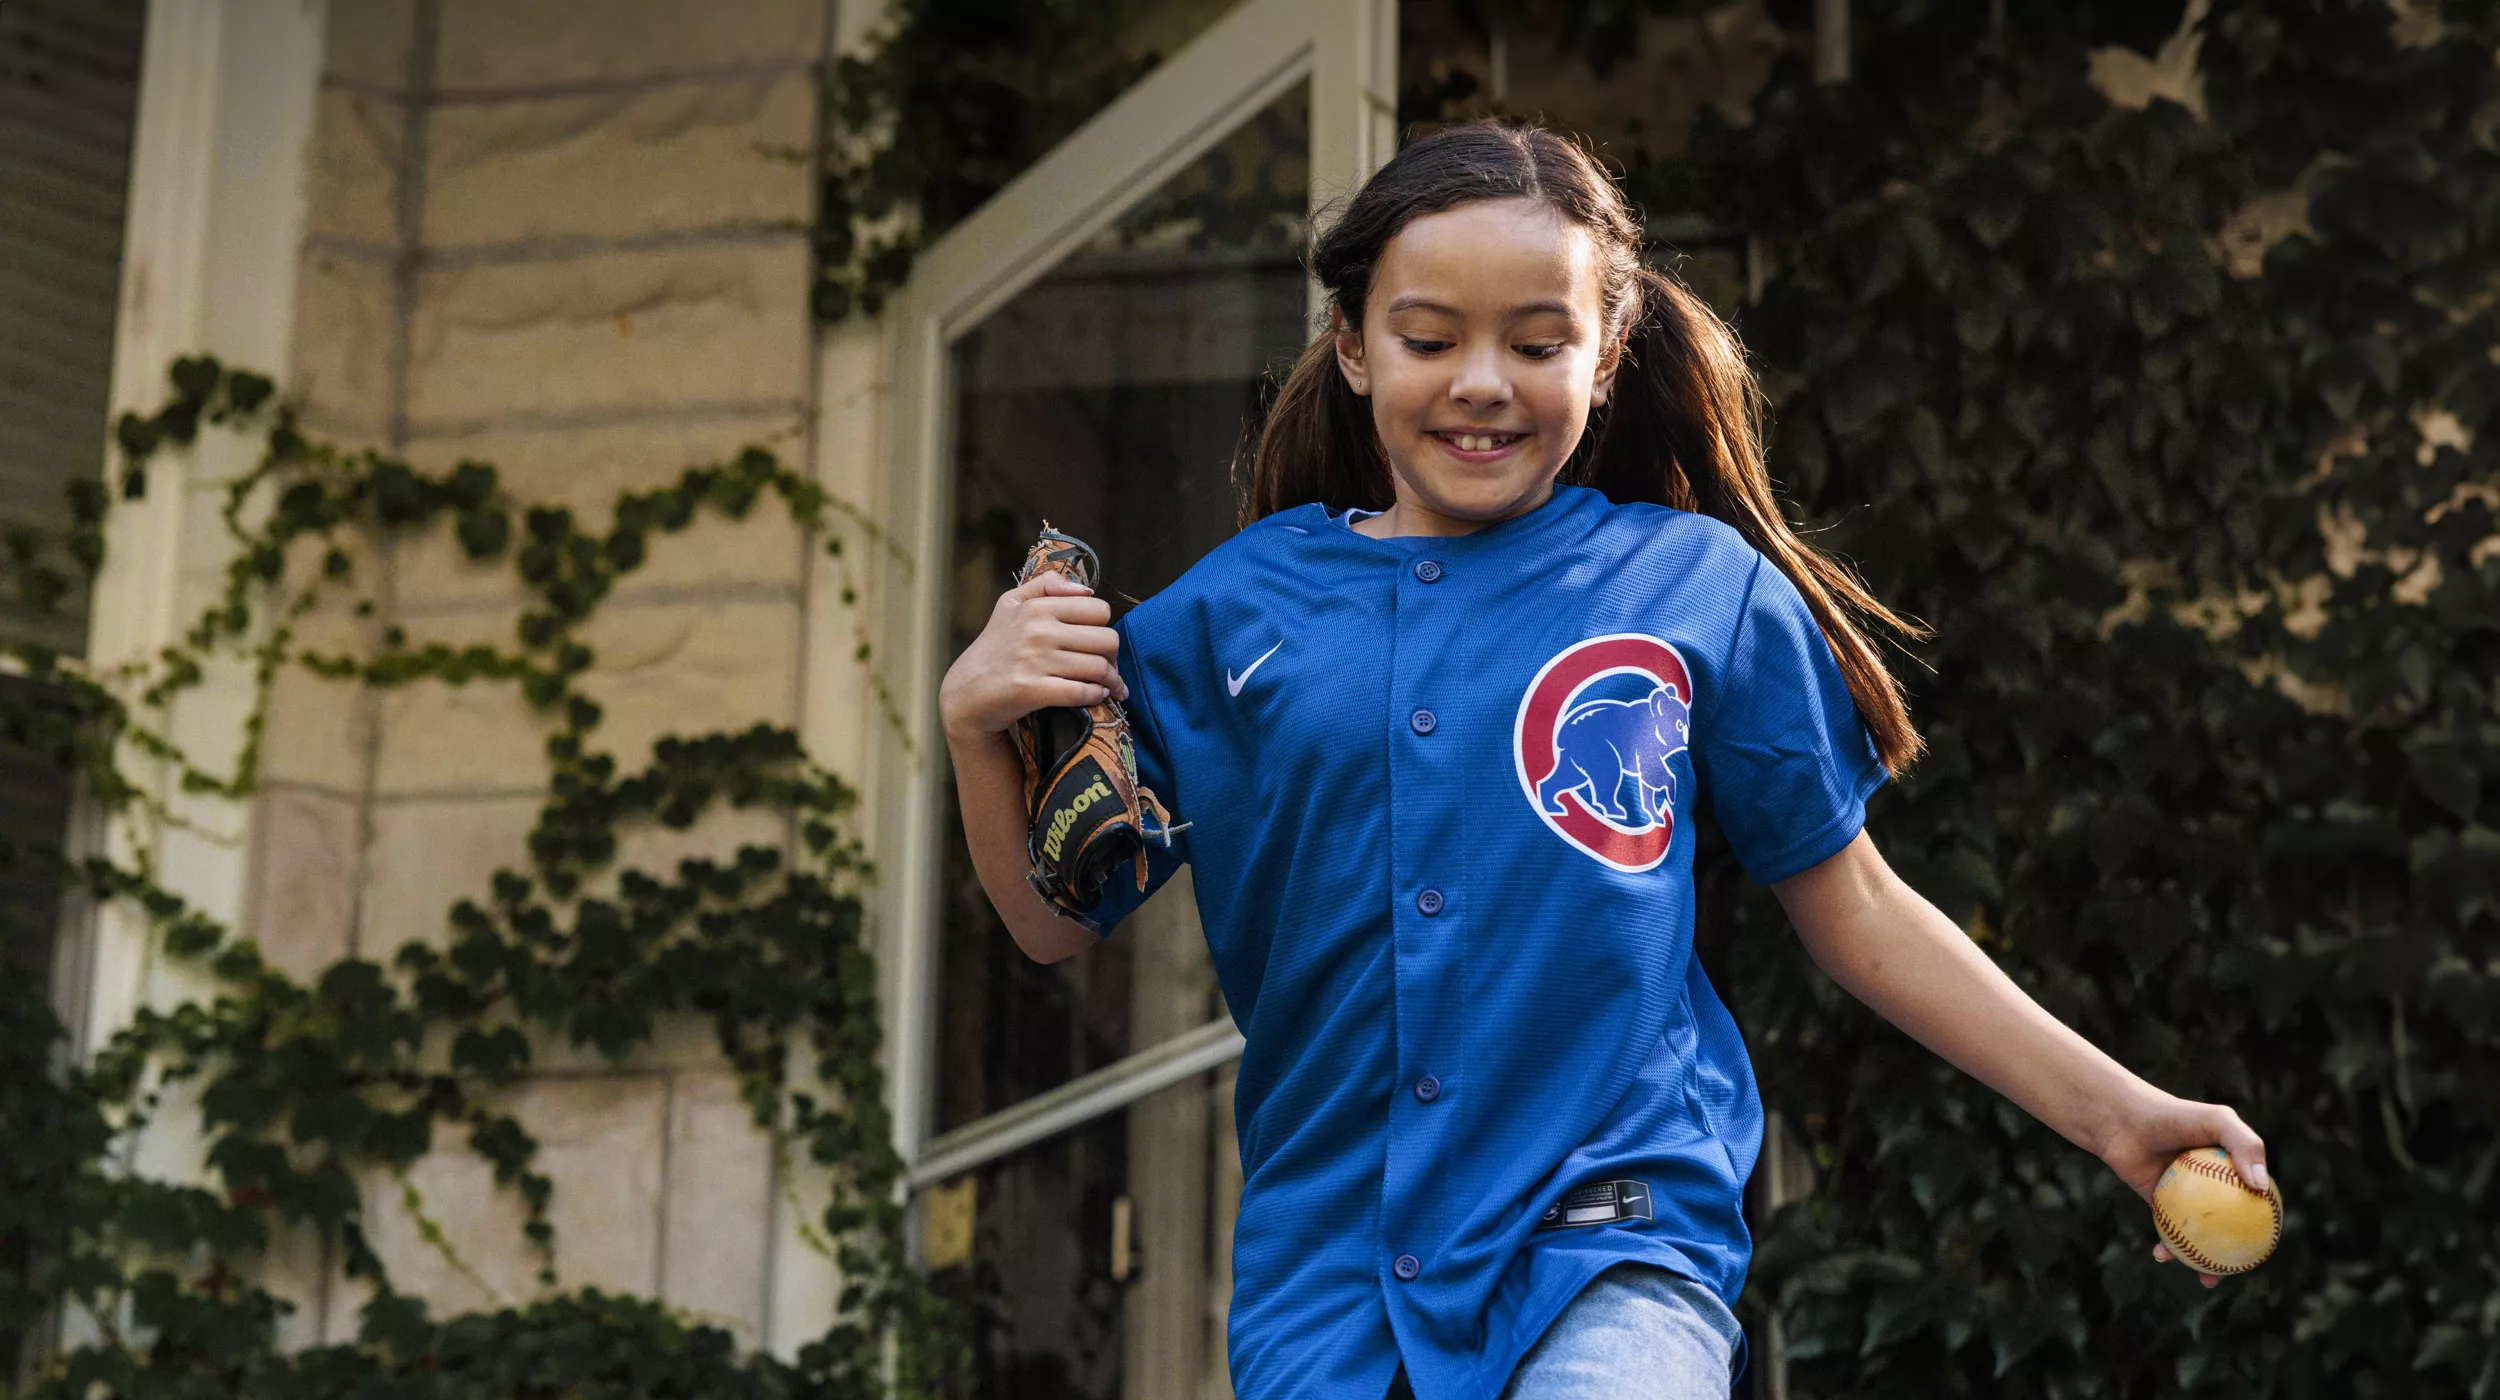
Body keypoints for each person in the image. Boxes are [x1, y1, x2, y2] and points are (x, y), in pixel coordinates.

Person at [937, 120, 2266, 1400]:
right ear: (1350, 345)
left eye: (1536, 341)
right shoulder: (1226, 619)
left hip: (1613, 1230)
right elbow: (1054, 925)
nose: (1480, 382)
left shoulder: (1695, 588)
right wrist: (975, 727)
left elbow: (1855, 909)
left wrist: (2117, 1115)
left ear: (1609, 352)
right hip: (1327, 1284)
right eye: (1426, 337)